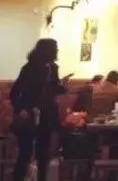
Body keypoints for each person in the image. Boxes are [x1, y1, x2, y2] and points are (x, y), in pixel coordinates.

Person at [10, 38, 72, 181]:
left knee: (44, 154)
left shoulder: (53, 68)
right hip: (29, 113)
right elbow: (15, 92)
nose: (57, 51)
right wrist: (21, 109)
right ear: (48, 50)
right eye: (55, 48)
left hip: (46, 115)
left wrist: (64, 86)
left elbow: (52, 90)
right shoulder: (29, 68)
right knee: (25, 153)